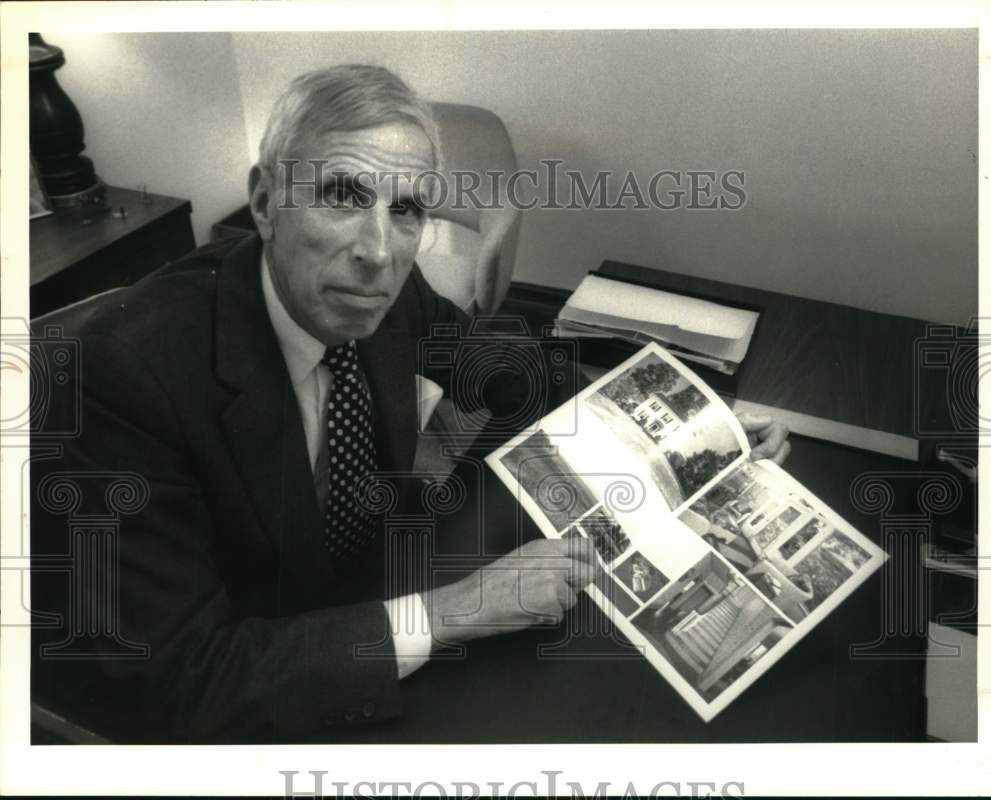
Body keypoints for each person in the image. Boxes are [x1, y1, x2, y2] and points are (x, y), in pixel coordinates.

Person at [30, 64, 789, 743]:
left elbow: (505, 372)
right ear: (264, 203)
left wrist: (691, 422)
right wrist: (463, 608)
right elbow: (183, 679)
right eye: (341, 196)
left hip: (363, 592)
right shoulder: (123, 379)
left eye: (407, 210)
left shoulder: (387, 291)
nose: (379, 251)